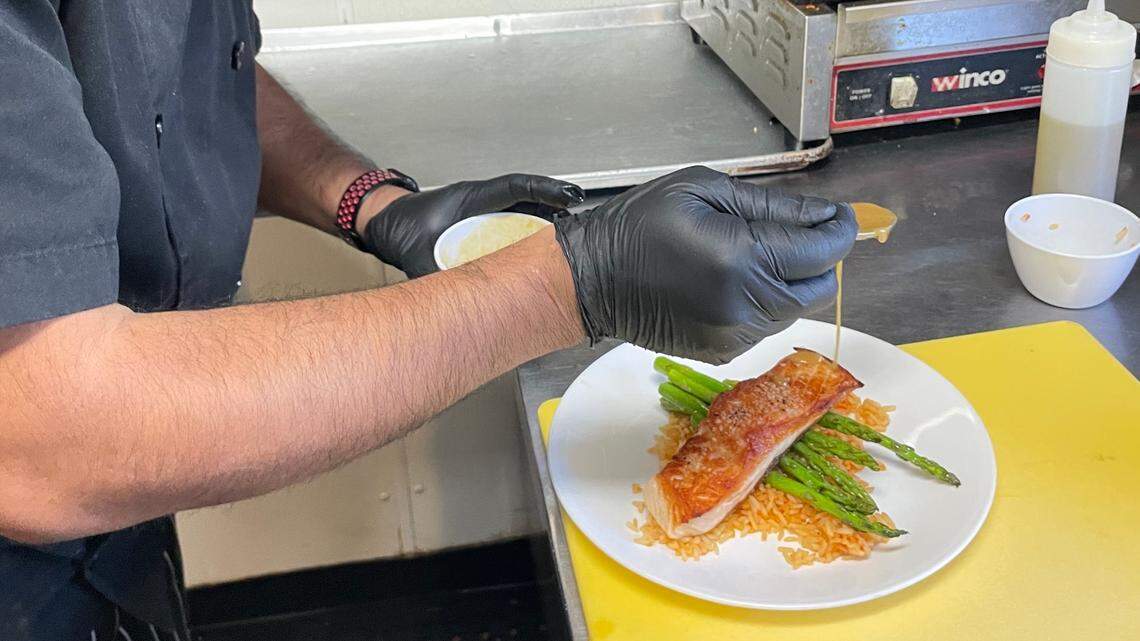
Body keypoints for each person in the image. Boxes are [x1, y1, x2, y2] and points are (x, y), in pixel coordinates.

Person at [0, 2, 856, 639]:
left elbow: (188, 74)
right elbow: (49, 432)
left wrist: (371, 201)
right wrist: (572, 282)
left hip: (124, 532)